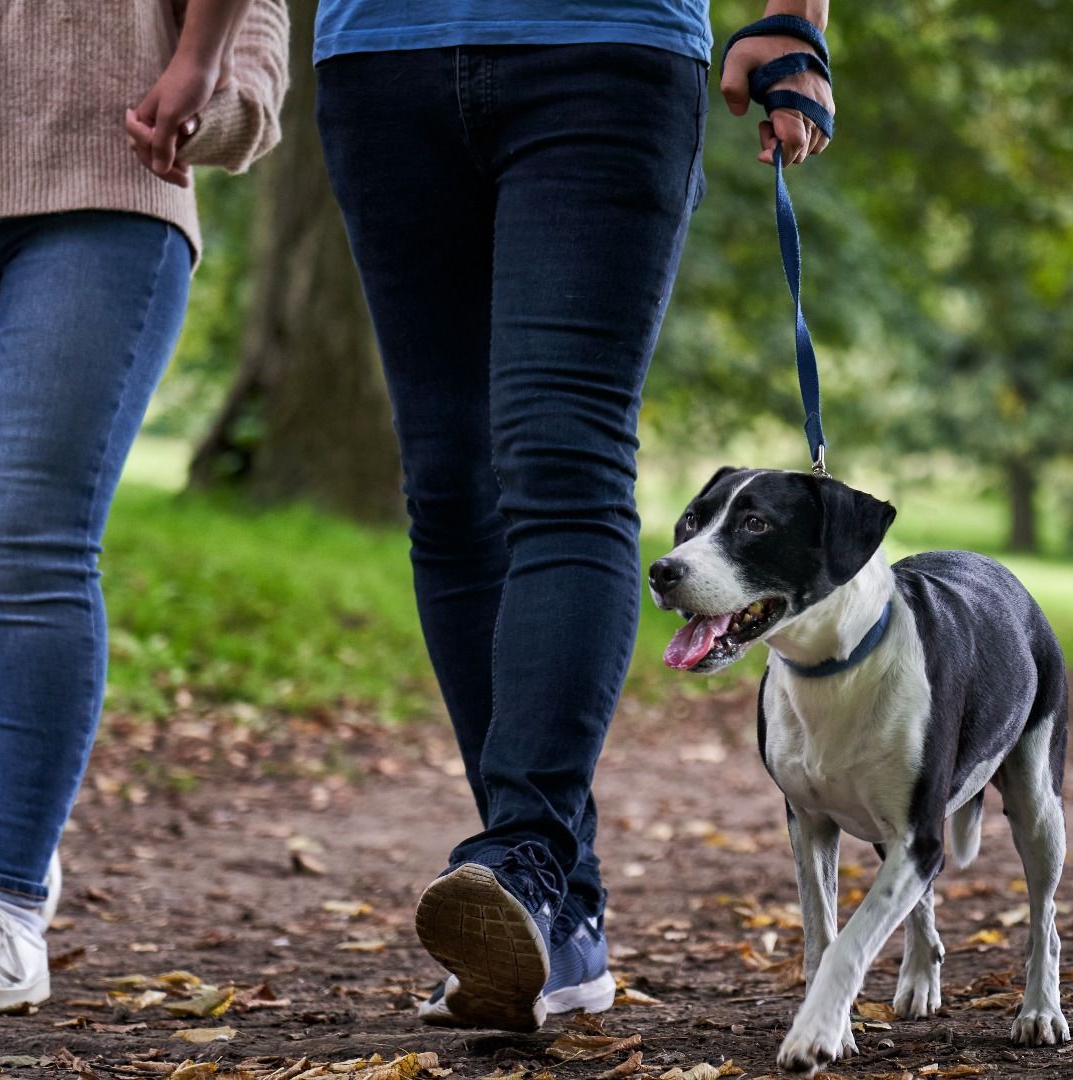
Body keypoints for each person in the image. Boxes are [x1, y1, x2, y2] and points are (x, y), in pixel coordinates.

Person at [314, 0, 835, 1030]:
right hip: (380, 54)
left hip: (602, 42)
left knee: (562, 458)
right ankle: (554, 903)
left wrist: (788, 19)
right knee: (450, 489)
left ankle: (524, 859)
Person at [0, 0, 287, 1014]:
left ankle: (5, 905)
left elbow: (247, 31)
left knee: (36, 541)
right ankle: (19, 776)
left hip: (104, 194)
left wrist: (208, 91)